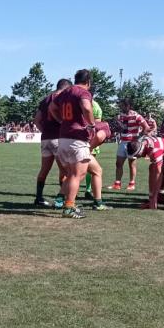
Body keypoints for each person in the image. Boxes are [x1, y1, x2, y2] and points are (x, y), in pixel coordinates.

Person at [50, 69, 110, 218]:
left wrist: (62, 121)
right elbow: (87, 107)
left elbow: (52, 108)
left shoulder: (65, 92)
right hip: (77, 138)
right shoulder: (83, 92)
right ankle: (69, 207)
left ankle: (65, 201)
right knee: (77, 175)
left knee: (74, 174)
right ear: (88, 82)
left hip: (63, 137)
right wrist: (91, 125)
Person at [34, 79, 71, 207]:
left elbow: (37, 120)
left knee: (44, 170)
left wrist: (45, 132)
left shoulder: (45, 99)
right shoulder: (62, 98)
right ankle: (63, 201)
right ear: (66, 88)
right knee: (66, 171)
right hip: (58, 138)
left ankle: (39, 198)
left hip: (45, 138)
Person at [111, 98, 149, 191]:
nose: (122, 107)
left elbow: (146, 128)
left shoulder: (137, 116)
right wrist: (116, 128)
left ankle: (132, 183)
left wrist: (137, 138)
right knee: (118, 163)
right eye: (121, 105)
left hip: (132, 144)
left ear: (129, 106)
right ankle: (117, 184)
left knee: (131, 164)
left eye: (123, 105)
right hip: (122, 142)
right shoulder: (120, 116)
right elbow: (118, 128)